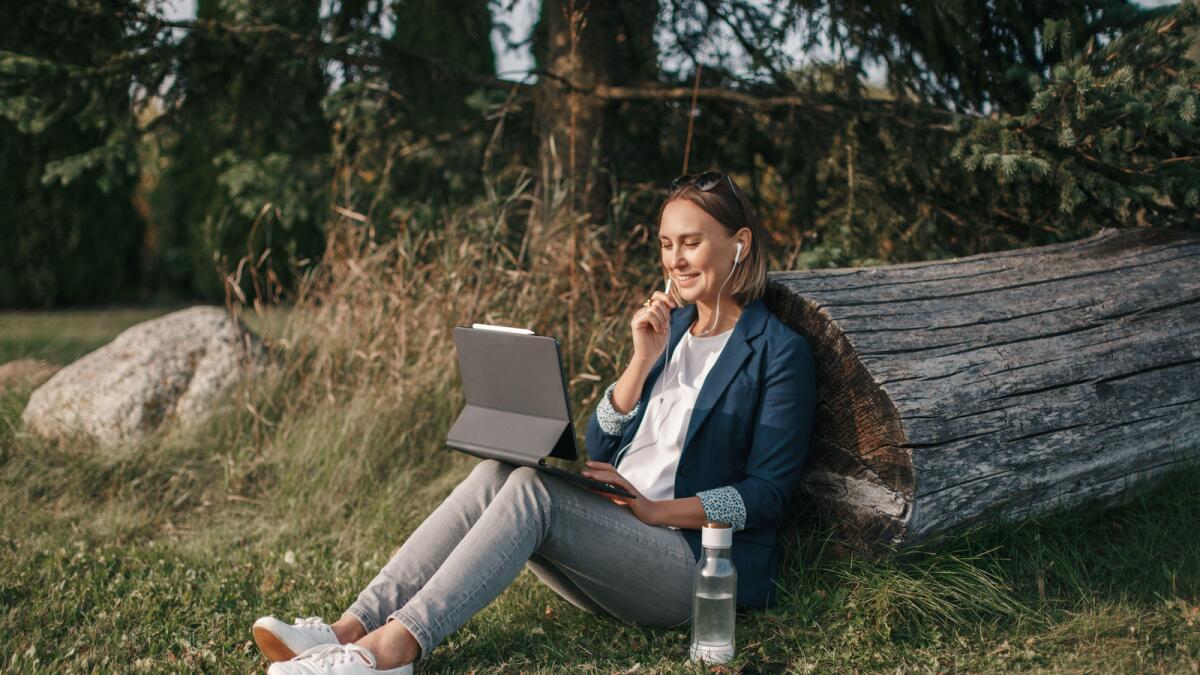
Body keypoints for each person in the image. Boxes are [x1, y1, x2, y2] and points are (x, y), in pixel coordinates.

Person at [252, 171, 817, 674]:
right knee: (501, 471)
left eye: (691, 243)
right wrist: (641, 360)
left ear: (739, 244)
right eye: (667, 244)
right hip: (619, 542)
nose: (675, 260)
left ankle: (390, 653)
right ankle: (347, 631)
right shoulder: (672, 333)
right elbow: (601, 442)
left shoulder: (776, 351)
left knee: (532, 490)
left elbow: (765, 496)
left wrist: (652, 509)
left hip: (692, 566)